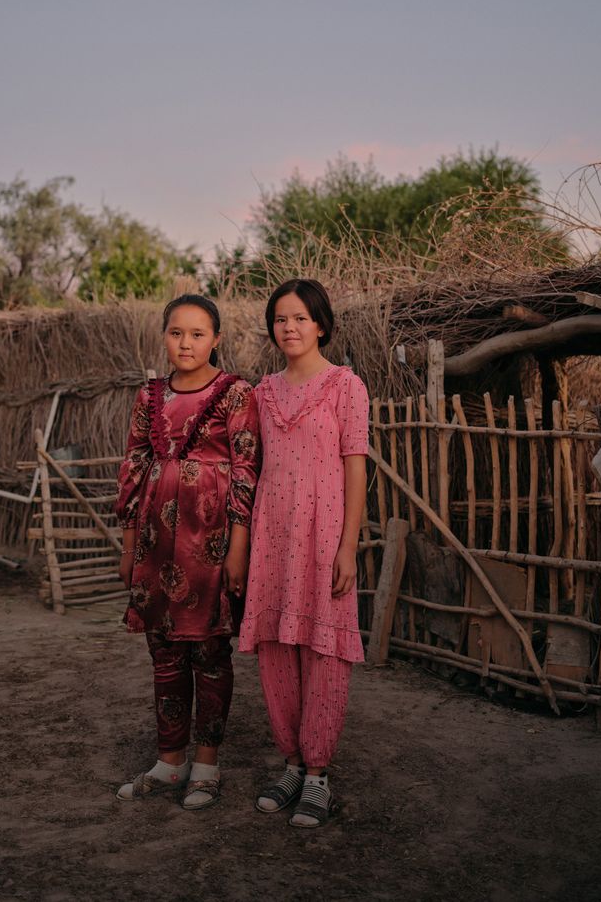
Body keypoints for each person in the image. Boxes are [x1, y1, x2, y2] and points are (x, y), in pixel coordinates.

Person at [114, 294, 260, 810]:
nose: (186, 343)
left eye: (198, 334)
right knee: (164, 652)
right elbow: (133, 469)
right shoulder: (148, 396)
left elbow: (245, 472)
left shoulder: (236, 394)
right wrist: (130, 546)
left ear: (216, 339)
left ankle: (206, 765)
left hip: (212, 541)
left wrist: (238, 549)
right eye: (177, 333)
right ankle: (169, 762)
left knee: (210, 653)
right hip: (156, 542)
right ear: (164, 336)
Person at [239, 278, 369, 828]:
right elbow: (250, 467)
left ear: (321, 324)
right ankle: (290, 763)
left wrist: (349, 547)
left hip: (324, 537)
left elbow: (355, 469)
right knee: (275, 650)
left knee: (324, 652)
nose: (289, 328)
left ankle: (318, 776)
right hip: (272, 536)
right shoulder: (261, 393)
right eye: (280, 319)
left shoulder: (346, 386)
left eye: (300, 318)